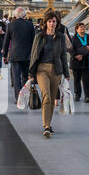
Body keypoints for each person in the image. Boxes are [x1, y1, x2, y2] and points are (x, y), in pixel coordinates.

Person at [28, 10, 71, 138]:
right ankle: (46, 126)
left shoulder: (61, 37)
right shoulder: (39, 36)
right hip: (42, 69)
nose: (52, 24)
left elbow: (63, 56)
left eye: (54, 21)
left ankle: (49, 123)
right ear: (45, 23)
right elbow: (34, 54)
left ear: (57, 23)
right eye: (49, 21)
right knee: (46, 95)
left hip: (56, 70)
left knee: (52, 99)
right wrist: (31, 72)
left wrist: (66, 73)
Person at [4, 7, 36, 98]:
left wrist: (4, 54)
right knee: (25, 76)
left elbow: (6, 41)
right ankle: (25, 95)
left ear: (15, 15)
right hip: (27, 55)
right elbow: (34, 40)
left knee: (16, 77)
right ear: (25, 15)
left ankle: (18, 97)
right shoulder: (30, 25)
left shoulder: (10, 25)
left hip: (15, 55)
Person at [70, 21, 89, 103]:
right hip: (76, 62)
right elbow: (70, 49)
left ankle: (87, 96)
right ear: (76, 29)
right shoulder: (74, 39)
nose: (83, 28)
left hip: (86, 62)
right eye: (80, 27)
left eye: (84, 27)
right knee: (77, 80)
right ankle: (77, 95)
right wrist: (76, 55)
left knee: (86, 80)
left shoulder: (88, 37)